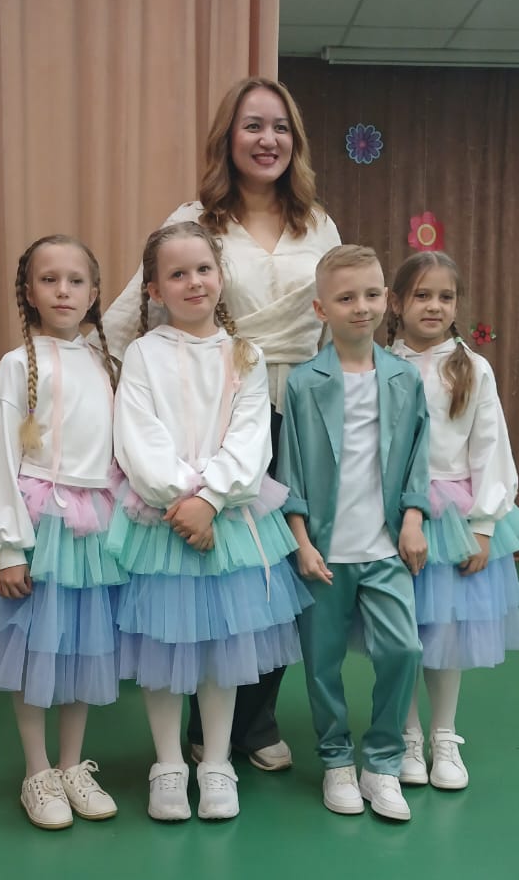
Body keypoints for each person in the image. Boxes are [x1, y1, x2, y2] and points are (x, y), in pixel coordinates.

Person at [102, 77, 341, 773]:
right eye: (252, 126)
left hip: (302, 408)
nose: (268, 139)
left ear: (295, 140)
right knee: (207, 567)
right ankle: (197, 736)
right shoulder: (196, 217)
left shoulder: (318, 224)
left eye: (280, 127)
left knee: (280, 566)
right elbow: (132, 312)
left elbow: (333, 319)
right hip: (218, 409)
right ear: (227, 139)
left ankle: (253, 723)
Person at [107, 221, 311, 822]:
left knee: (223, 648)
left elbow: (252, 438)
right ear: (154, 290)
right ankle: (169, 762)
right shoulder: (143, 354)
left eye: (203, 269)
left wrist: (212, 499)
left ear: (220, 277)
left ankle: (216, 761)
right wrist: (183, 499)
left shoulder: (245, 354)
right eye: (177, 273)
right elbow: (137, 436)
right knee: (162, 648)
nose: (193, 282)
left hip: (229, 519)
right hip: (162, 523)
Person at [0, 235, 121, 830]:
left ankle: (72, 765)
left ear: (94, 293)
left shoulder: (106, 362)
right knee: (34, 651)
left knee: (81, 649)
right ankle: (37, 771)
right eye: (49, 280)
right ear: (28, 292)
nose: (63, 291)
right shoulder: (19, 365)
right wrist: (8, 547)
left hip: (92, 530)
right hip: (38, 525)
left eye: (76, 280)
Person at [277, 245, 431, 823]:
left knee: (403, 648)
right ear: (322, 309)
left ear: (387, 299)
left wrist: (412, 519)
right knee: (322, 662)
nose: (360, 307)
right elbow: (289, 470)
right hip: (323, 552)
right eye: (345, 298)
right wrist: (301, 542)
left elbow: (418, 457)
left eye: (370, 294)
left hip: (386, 548)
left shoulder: (404, 378)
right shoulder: (303, 383)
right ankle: (337, 760)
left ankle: (383, 761)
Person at [387, 251, 519, 790]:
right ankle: (407, 734)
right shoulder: (379, 366)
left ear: (457, 304)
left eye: (446, 296)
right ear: (396, 303)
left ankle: (444, 733)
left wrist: (483, 526)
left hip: (454, 520)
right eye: (421, 295)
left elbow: (490, 447)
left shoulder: (473, 368)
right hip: (393, 516)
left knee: (445, 631)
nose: (434, 306)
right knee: (401, 633)